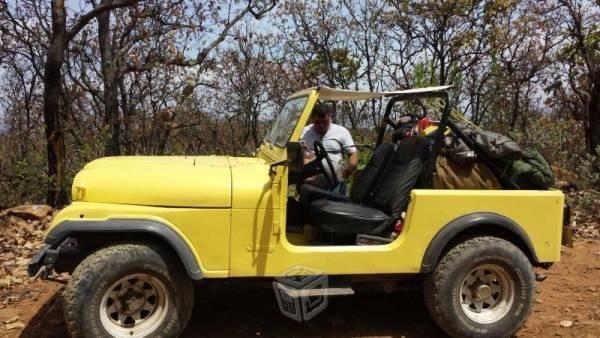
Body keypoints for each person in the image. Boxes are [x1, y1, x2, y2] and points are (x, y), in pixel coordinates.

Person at [300, 102, 358, 194]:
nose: (322, 125)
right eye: (318, 122)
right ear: (312, 119)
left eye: (325, 122)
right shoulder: (303, 133)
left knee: (338, 207)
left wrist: (350, 168)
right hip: (311, 185)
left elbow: (353, 154)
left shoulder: (341, 131)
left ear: (330, 117)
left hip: (336, 184)